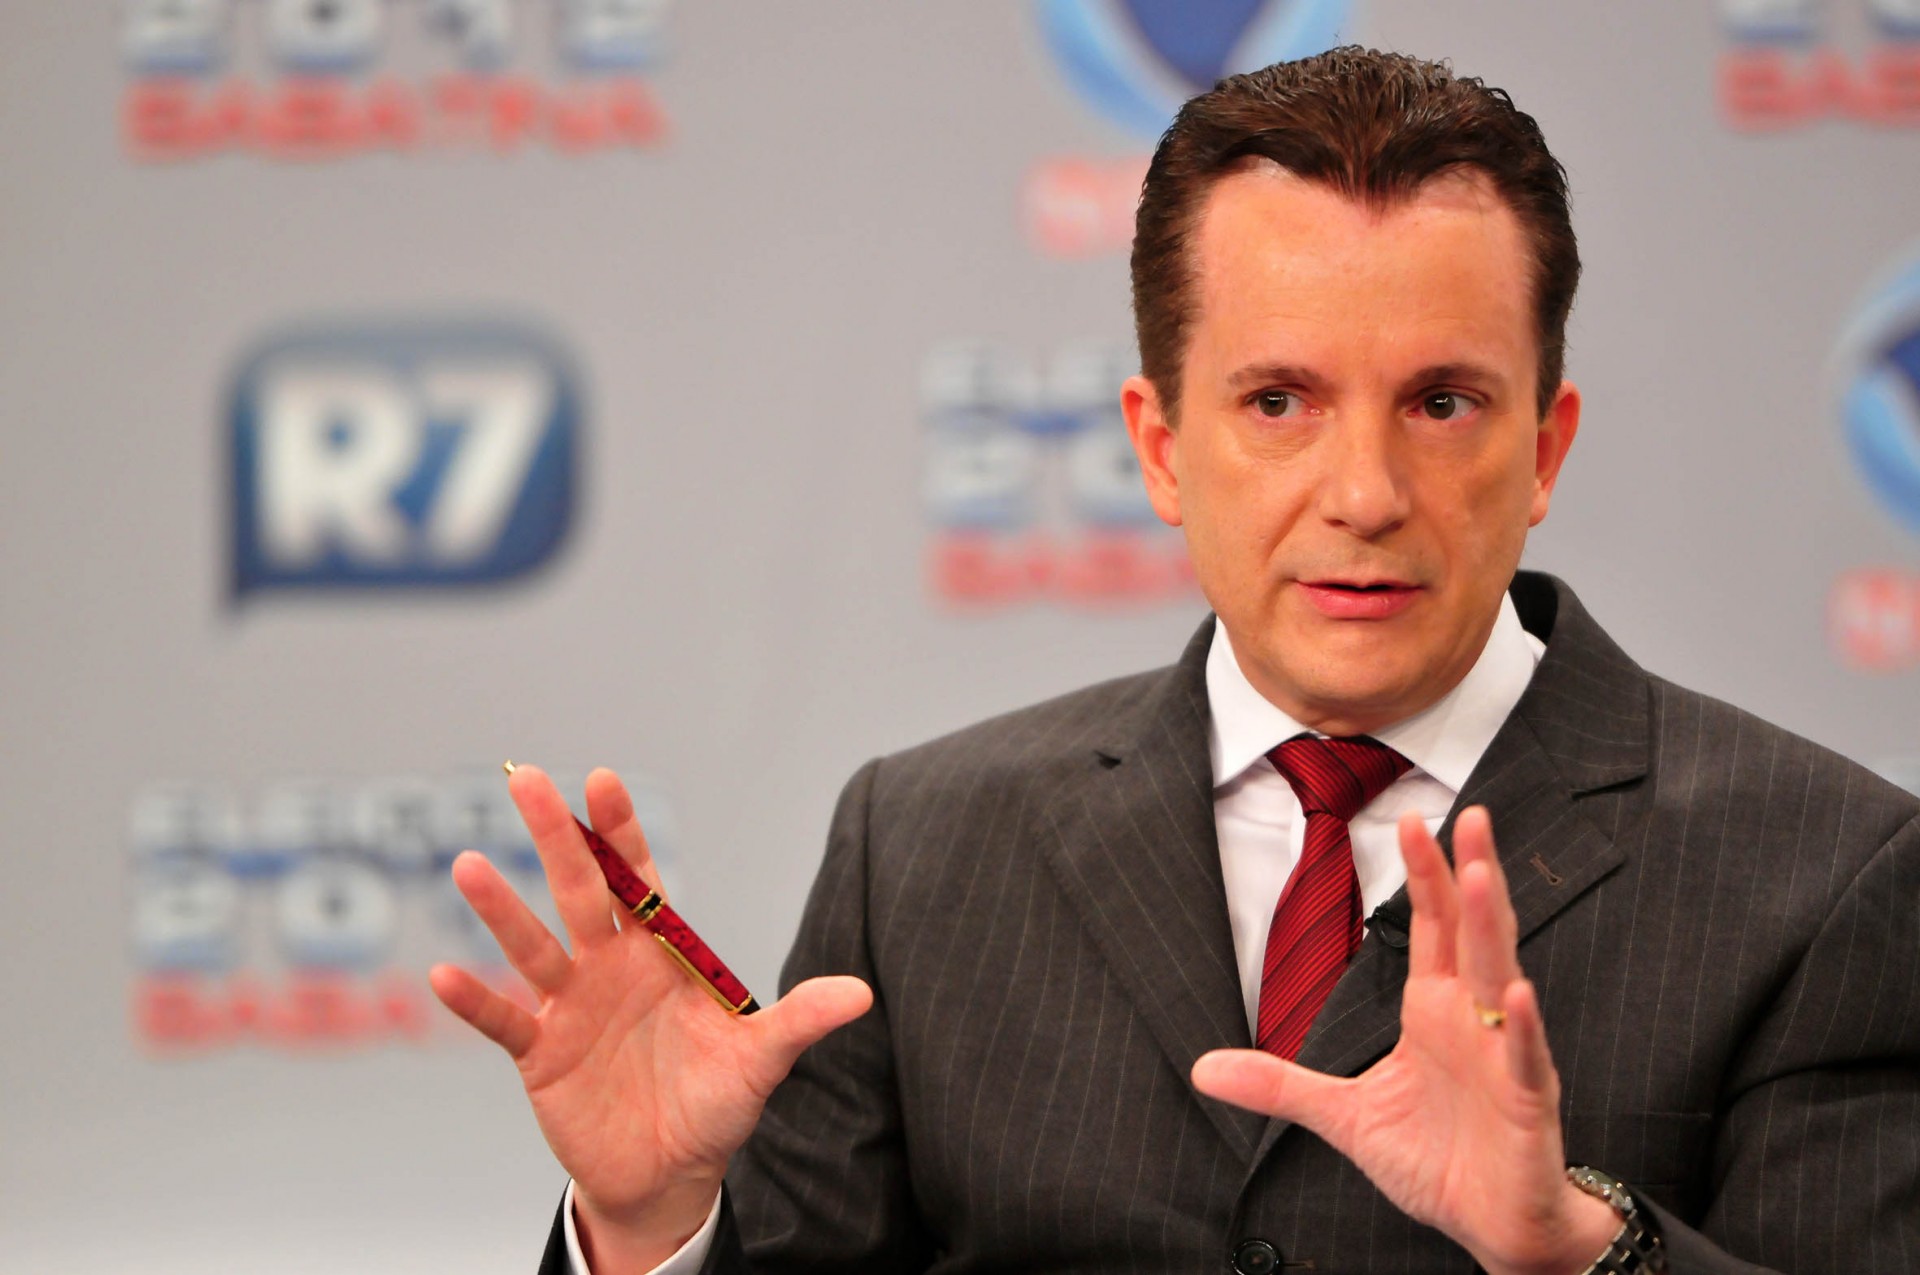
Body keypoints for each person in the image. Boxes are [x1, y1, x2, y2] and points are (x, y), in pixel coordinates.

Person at [429, 48, 1920, 1275]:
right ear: (1158, 447)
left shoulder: (1826, 872)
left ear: (1543, 449)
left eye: (1442, 403)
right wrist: (650, 1231)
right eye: (1279, 402)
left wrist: (1578, 1251)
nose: (1364, 493)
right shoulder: (924, 850)